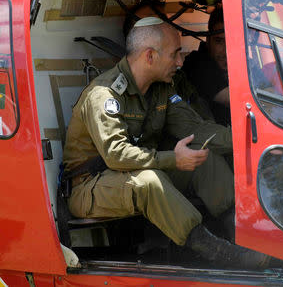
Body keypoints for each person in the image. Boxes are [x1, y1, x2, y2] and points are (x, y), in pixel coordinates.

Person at [63, 17, 270, 269]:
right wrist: (173, 159)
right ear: (150, 57)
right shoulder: (103, 95)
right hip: (90, 188)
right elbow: (116, 155)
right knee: (150, 181)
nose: (181, 62)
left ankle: (246, 236)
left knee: (204, 160)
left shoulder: (160, 89)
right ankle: (217, 252)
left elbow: (196, 129)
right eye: (175, 55)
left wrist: (250, 139)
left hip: (131, 177)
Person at [182, 6, 231, 127]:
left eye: (230, 41)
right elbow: (234, 99)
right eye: (219, 41)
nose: (225, 51)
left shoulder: (242, 61)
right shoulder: (196, 63)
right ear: (208, 40)